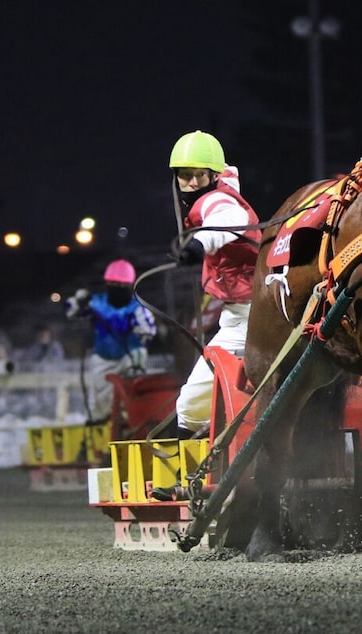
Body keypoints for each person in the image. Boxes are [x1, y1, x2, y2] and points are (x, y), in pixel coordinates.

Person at [151, 130, 261, 502]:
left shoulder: (218, 200)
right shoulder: (220, 195)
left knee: (191, 404)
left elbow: (225, 220)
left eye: (200, 174)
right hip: (242, 314)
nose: (193, 182)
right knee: (194, 404)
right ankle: (198, 481)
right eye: (186, 175)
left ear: (214, 175)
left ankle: (191, 484)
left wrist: (199, 243)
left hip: (247, 319)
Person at [66, 259, 157, 425]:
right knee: (101, 396)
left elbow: (148, 331)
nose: (117, 289)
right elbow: (71, 311)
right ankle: (101, 422)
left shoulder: (136, 308)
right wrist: (80, 301)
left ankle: (133, 418)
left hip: (128, 357)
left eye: (121, 285)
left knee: (133, 387)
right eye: (113, 284)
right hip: (103, 358)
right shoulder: (96, 303)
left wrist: (140, 335)